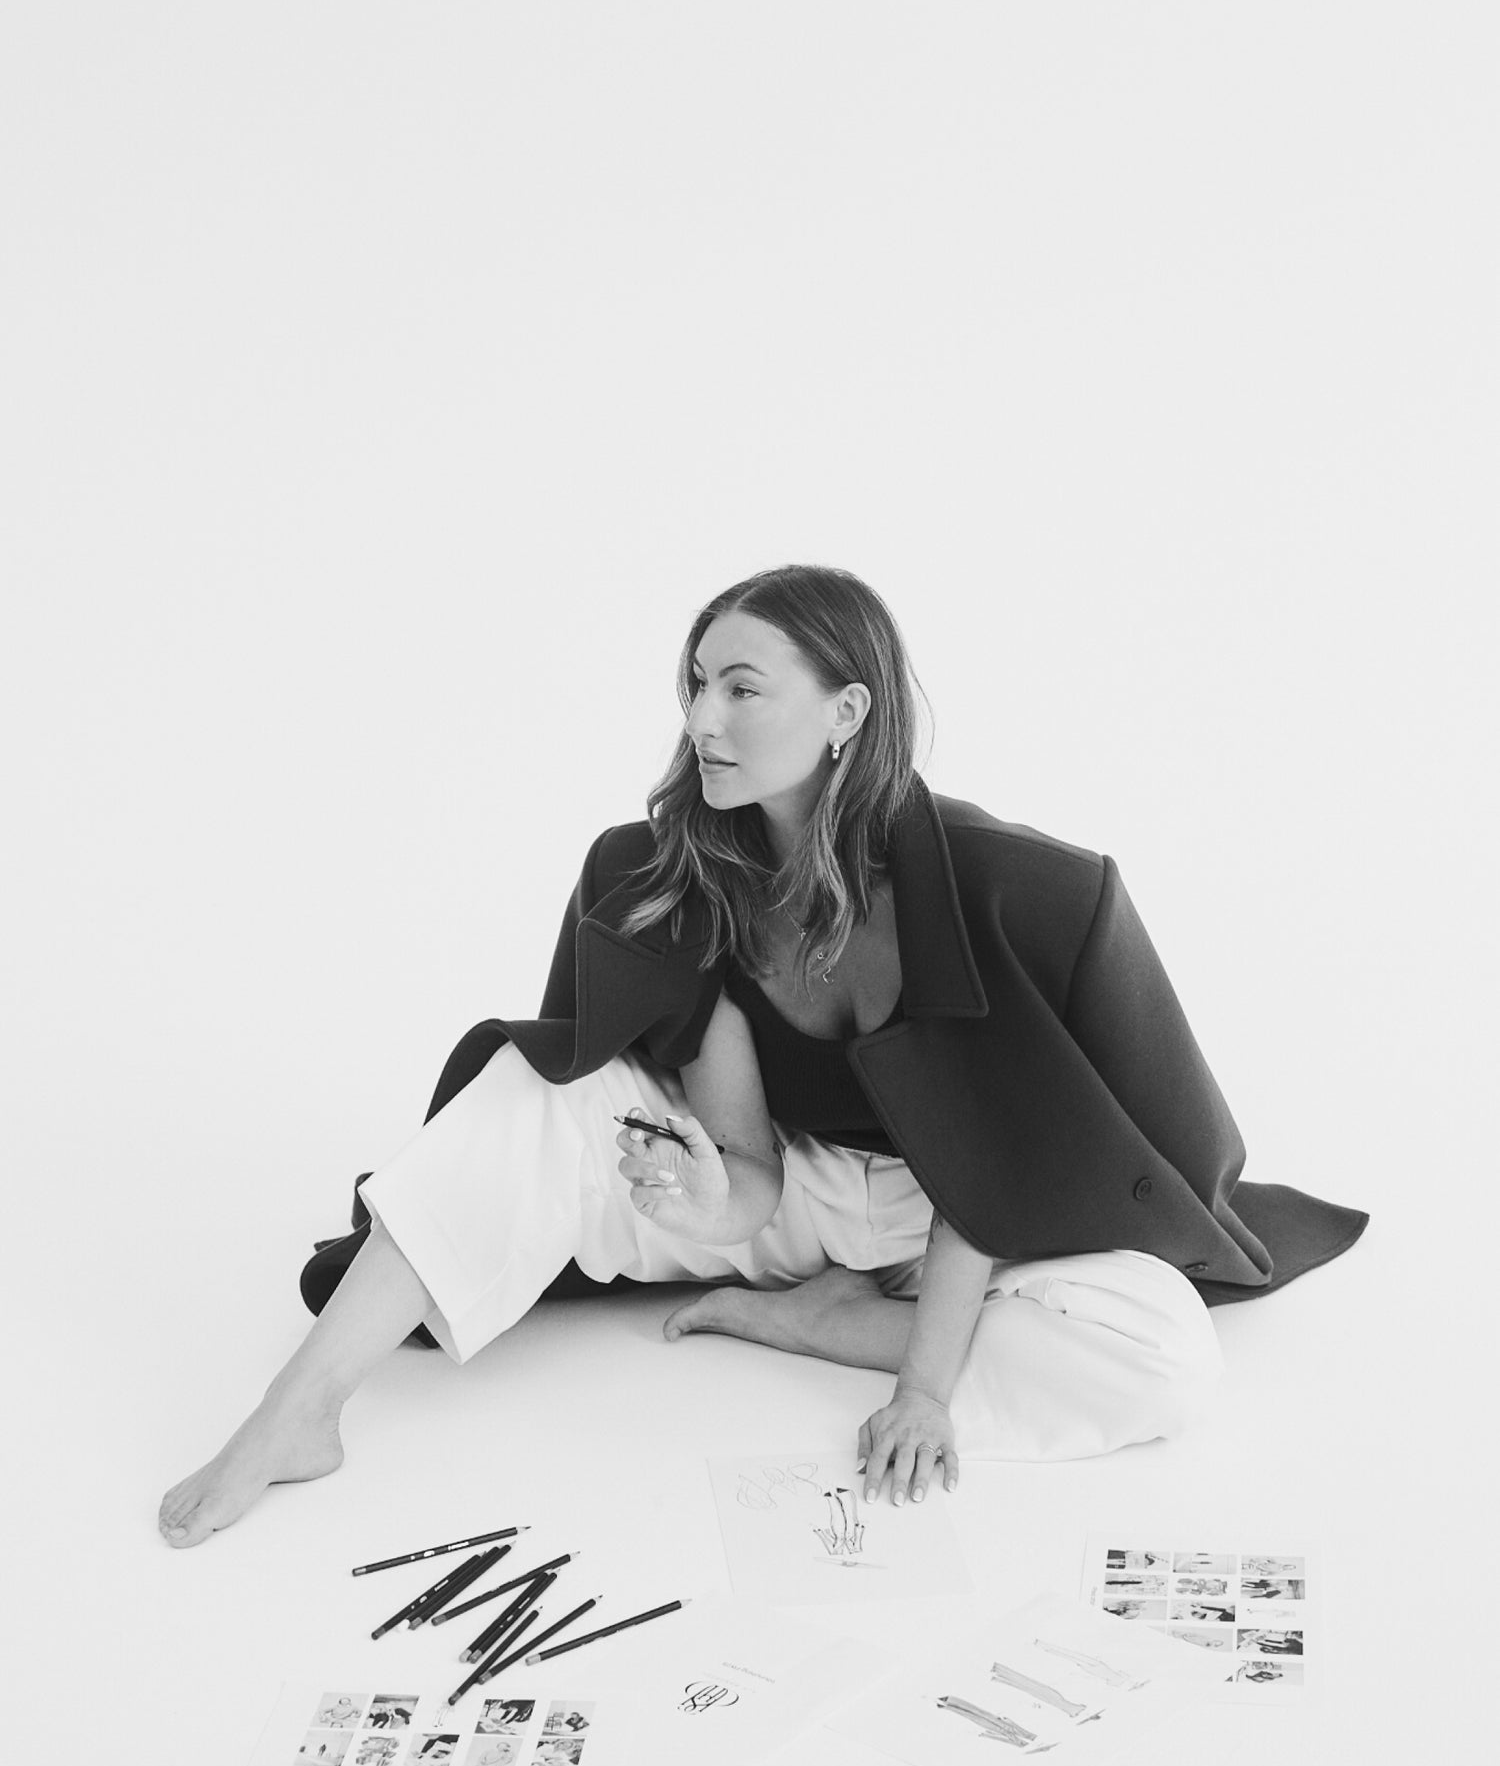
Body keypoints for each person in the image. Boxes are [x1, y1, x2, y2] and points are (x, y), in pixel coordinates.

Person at [158, 565, 1367, 1550]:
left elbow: (990, 1172)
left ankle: (835, 1324)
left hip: (972, 1211)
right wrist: (704, 1191)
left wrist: (923, 1387)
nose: (703, 719)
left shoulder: (1005, 889)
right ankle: (297, 1410)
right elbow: (748, 1168)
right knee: (535, 1090)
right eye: (696, 684)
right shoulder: (672, 871)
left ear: (849, 711)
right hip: (804, 1191)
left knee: (1166, 1355)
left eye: (743, 687)